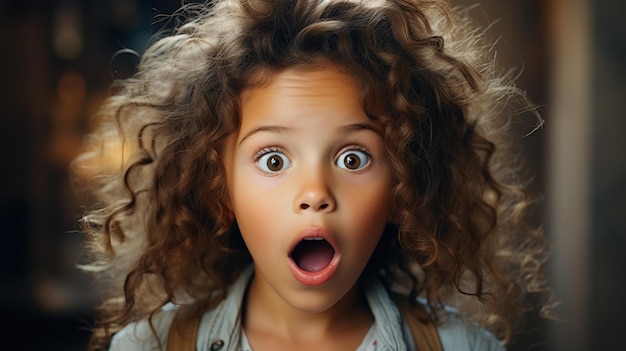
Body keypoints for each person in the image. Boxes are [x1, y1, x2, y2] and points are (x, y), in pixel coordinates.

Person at [71, 0, 556, 350]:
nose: (315, 194)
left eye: (352, 159)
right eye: (274, 160)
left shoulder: (462, 347)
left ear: (403, 188)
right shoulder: (149, 347)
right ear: (219, 189)